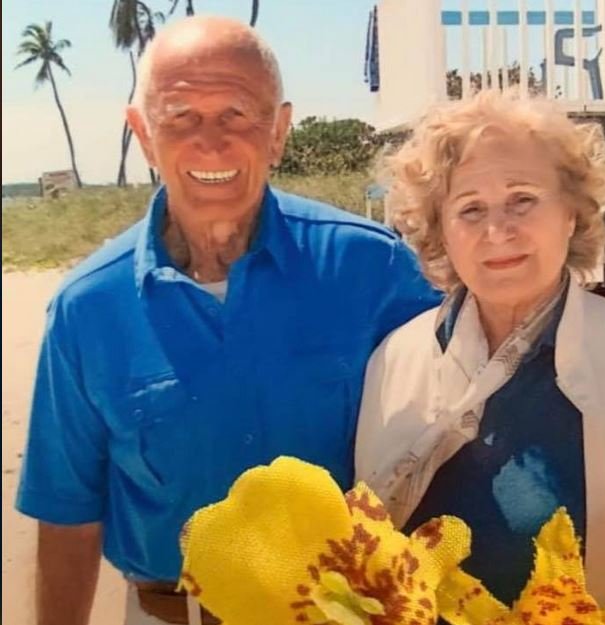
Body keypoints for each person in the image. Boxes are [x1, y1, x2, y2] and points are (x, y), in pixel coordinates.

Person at [13, 17, 440, 625]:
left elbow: (451, 443)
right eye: (180, 116)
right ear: (143, 134)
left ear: (278, 131)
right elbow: (67, 511)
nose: (210, 142)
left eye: (237, 114)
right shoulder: (87, 306)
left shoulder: (374, 267)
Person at [354, 91, 605, 605]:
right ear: (440, 232)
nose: (499, 231)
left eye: (523, 199)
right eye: (470, 209)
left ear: (571, 214)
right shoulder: (395, 360)